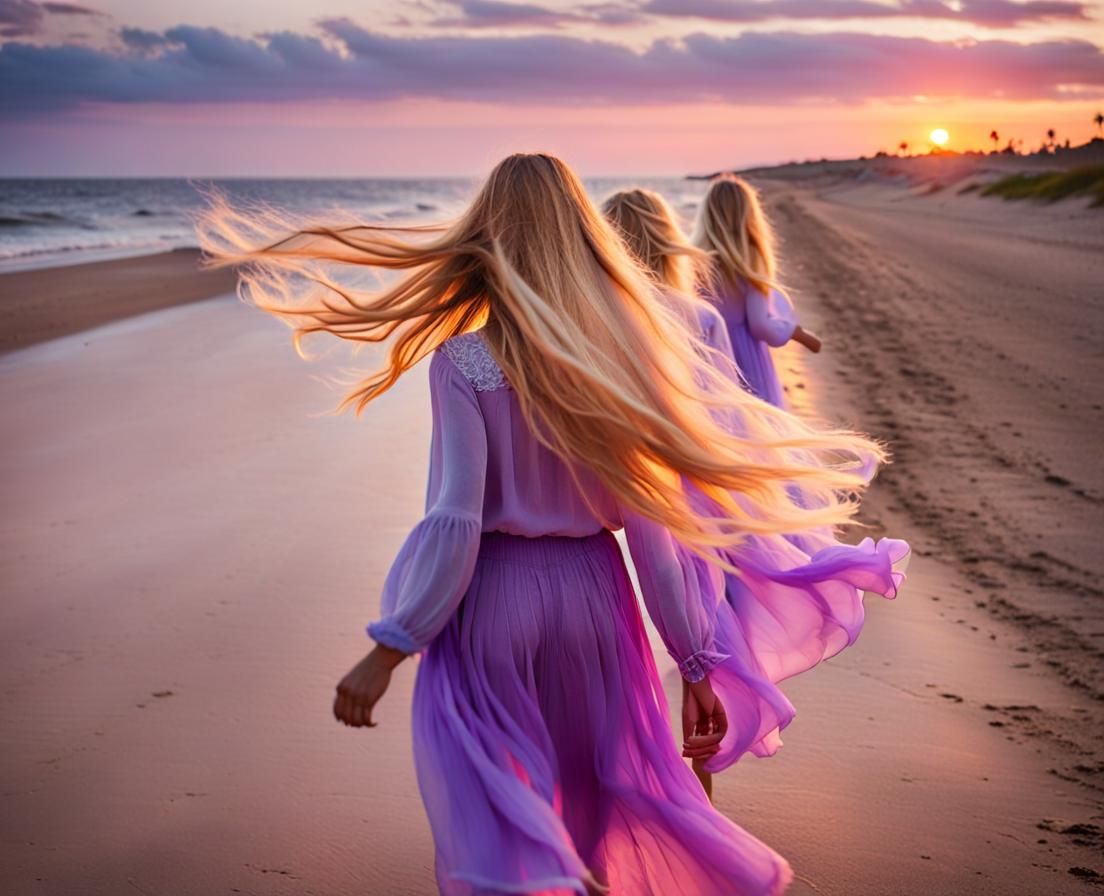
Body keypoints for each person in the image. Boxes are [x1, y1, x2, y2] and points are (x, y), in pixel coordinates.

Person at [199, 153, 891, 895]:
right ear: (583, 237)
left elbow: (456, 520)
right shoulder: (628, 359)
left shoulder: (463, 360)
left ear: (487, 238)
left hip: (493, 603)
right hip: (597, 603)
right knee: (595, 808)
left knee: (508, 819)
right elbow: (654, 538)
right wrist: (694, 662)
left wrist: (392, 643)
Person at [602, 186, 909, 794]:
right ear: (669, 242)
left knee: (625, 638)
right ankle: (704, 773)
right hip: (693, 492)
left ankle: (629, 772)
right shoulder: (701, 316)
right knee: (702, 619)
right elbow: (730, 417)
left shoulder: (601, 314)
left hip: (617, 494)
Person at [694, 174, 821, 409]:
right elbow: (761, 326)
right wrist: (794, 331)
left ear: (707, 215)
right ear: (749, 216)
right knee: (757, 429)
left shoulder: (694, 261)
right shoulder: (750, 260)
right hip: (745, 362)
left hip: (709, 359)